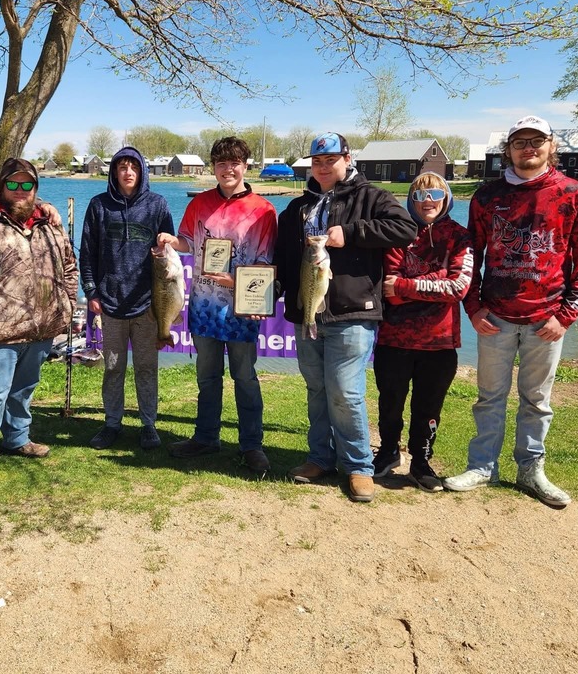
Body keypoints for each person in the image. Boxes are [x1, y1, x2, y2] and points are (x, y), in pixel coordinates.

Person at [444, 115, 578, 508]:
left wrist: (566, 316)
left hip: (546, 318)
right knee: (488, 397)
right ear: (508, 149)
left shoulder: (576, 195)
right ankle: (482, 466)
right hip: (495, 316)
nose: (528, 148)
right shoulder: (486, 196)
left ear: (551, 146)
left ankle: (531, 470)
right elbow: (469, 256)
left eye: (537, 141)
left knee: (537, 400)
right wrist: (474, 306)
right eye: (519, 142)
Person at [274, 133, 417, 502]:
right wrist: (262, 294)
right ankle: (320, 457)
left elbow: (406, 228)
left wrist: (351, 233)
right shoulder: (296, 209)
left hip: (353, 312)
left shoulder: (372, 197)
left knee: (345, 391)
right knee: (317, 389)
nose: (323, 167)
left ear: (347, 159)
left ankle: (358, 466)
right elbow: (286, 262)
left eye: (331, 160)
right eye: (317, 161)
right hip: (307, 311)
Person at [155, 136, 277, 475]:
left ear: (246, 166)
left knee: (245, 378)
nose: (229, 169)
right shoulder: (199, 204)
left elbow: (266, 262)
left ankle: (252, 444)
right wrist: (169, 241)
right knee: (207, 378)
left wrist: (237, 282)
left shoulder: (263, 210)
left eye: (235, 162)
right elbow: (187, 242)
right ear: (213, 167)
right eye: (222, 163)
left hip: (241, 308)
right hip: (205, 308)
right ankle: (206, 437)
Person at [0, 158, 77, 491]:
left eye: (27, 185)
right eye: (13, 184)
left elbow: (69, 265)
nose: (20, 191)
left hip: (41, 329)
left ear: (35, 188)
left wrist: (65, 304)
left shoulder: (50, 225)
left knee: (23, 392)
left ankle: (17, 438)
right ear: (2, 186)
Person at [372, 172, 473, 492]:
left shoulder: (459, 236)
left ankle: (421, 460)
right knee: (390, 403)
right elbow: (387, 286)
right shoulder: (398, 233)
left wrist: (406, 286)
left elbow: (458, 286)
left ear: (446, 198)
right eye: (418, 196)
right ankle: (388, 452)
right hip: (394, 338)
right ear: (410, 201)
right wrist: (427, 286)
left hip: (440, 342)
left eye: (434, 195)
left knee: (429, 408)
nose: (426, 202)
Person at [80, 146, 175, 451]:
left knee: (146, 367)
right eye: (122, 167)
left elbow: (169, 253)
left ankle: (149, 424)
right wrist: (92, 291)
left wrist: (165, 243)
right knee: (113, 367)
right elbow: (87, 253)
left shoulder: (158, 205)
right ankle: (112, 423)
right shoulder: (98, 206)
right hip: (110, 303)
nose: (128, 172)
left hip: (149, 305)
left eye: (133, 167)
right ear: (114, 172)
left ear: (142, 171)